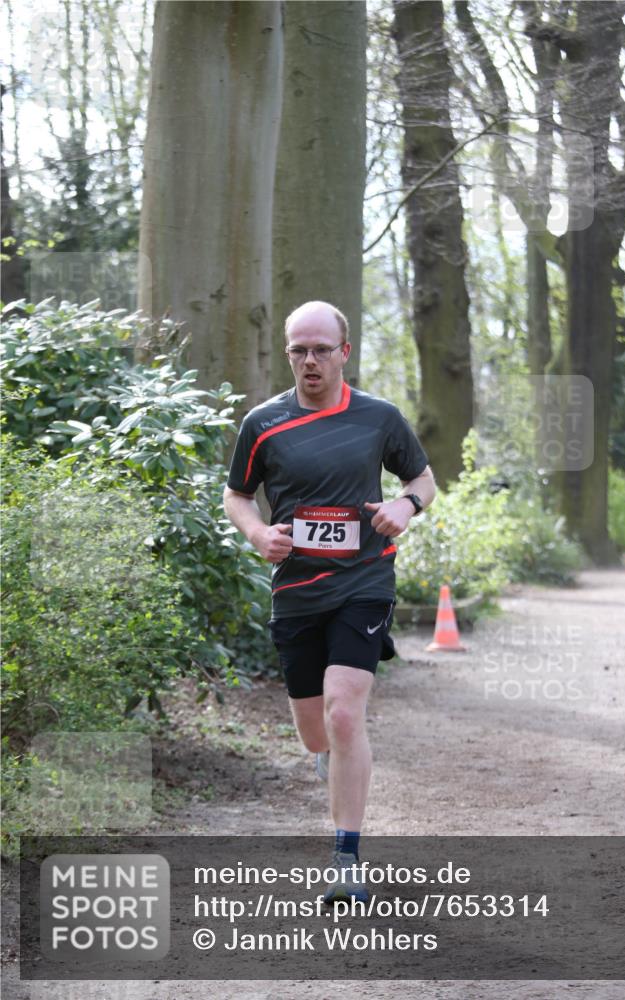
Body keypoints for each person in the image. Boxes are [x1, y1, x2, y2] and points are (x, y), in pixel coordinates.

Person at [223, 300, 435, 903]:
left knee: (346, 714)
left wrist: (405, 507)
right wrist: (259, 532)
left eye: (321, 349)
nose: (309, 360)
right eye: (299, 350)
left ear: (345, 352)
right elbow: (237, 496)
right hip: (296, 591)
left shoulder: (379, 418)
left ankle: (346, 859)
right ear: (287, 354)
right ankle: (328, 757)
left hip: (364, 582)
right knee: (315, 731)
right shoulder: (262, 423)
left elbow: (422, 479)